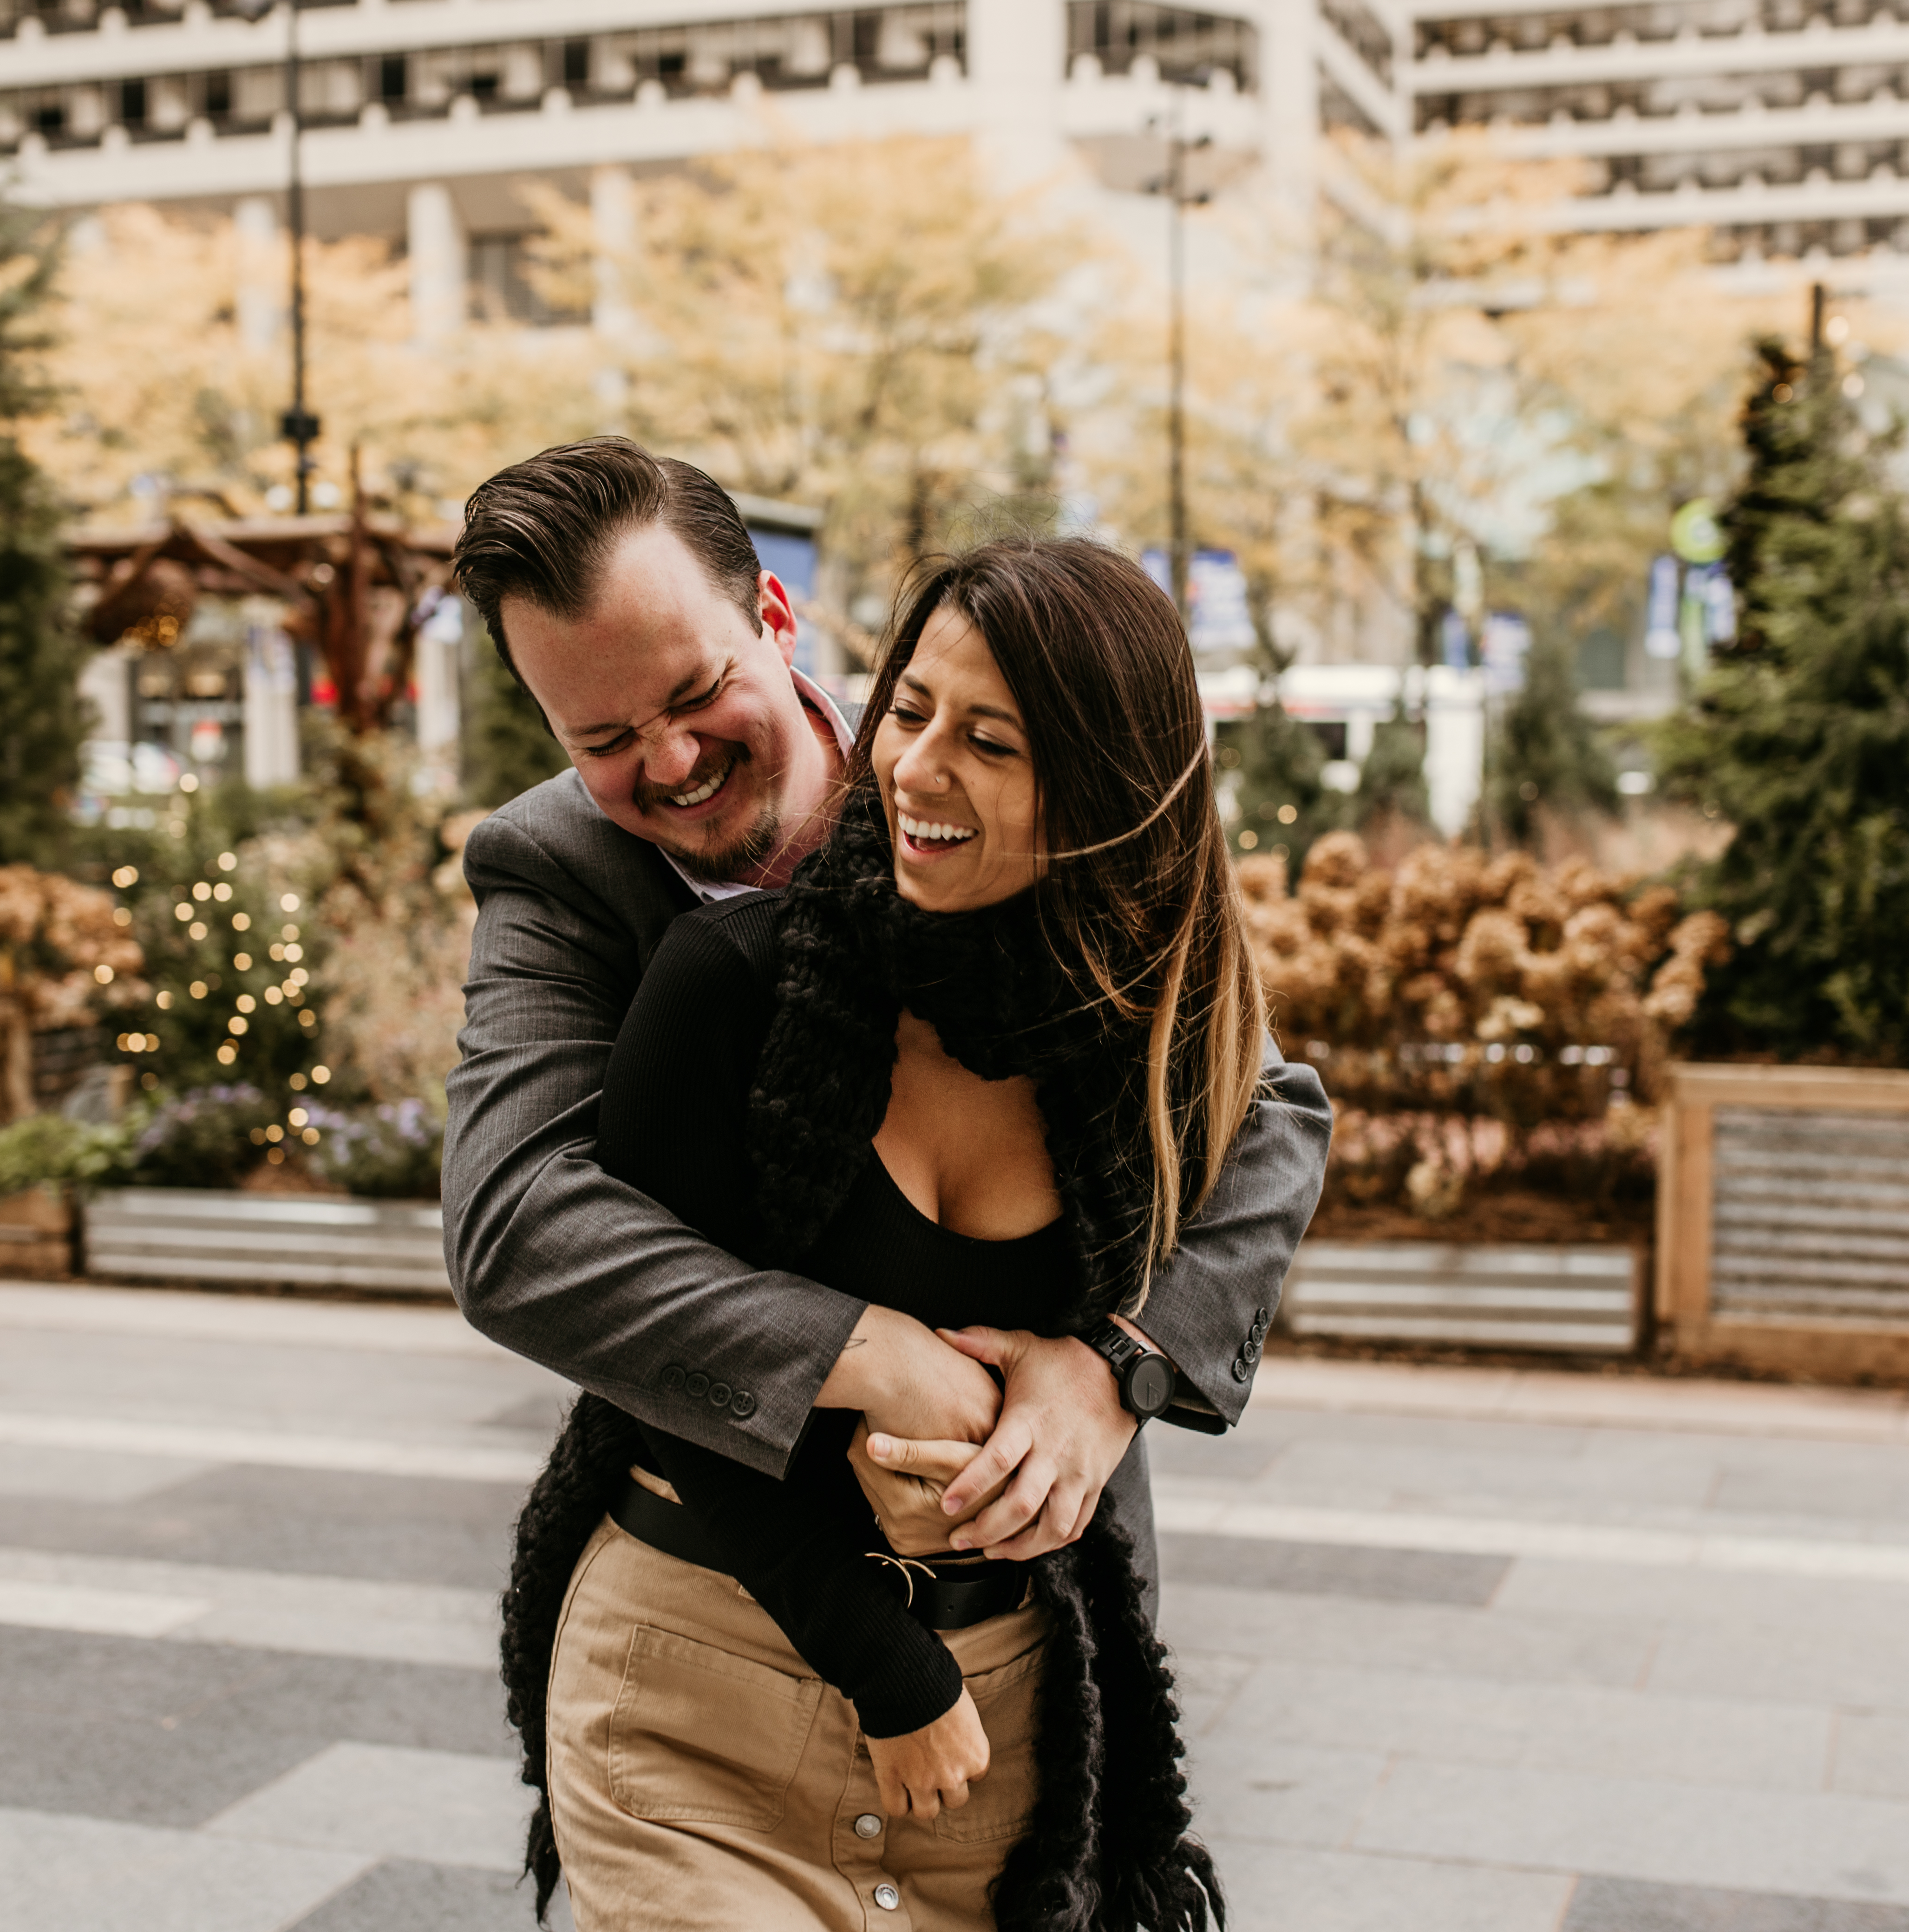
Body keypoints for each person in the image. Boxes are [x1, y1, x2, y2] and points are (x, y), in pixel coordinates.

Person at [497, 532, 1276, 1929]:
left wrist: (1113, 1364)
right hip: (707, 1685)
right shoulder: (718, 973)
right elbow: (543, 1253)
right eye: (910, 714)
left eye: (990, 739)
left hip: (1014, 1716)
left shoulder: (1150, 1025)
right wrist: (874, 1378)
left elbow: (1276, 1124)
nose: (915, 767)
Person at [445, 440, 1328, 1573]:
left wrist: (1122, 1364)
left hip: (1036, 1565)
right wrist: (866, 1355)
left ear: (774, 613)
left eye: (696, 692)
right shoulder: (553, 864)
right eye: (602, 741)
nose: (670, 762)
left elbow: (1265, 1108)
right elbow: (514, 1221)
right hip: (727, 1573)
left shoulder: (958, 755)